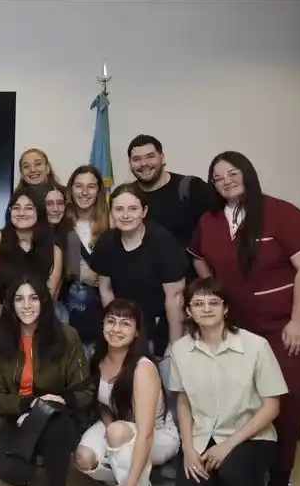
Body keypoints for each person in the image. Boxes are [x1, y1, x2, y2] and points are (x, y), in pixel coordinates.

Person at [188, 151, 300, 486]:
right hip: (236, 329)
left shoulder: (281, 213)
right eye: (218, 178)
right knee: (241, 402)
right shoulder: (209, 221)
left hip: (284, 329)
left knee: (286, 401)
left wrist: (298, 320)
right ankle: (244, 469)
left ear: (248, 174)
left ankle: (281, 472)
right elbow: (198, 261)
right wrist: (213, 297)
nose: (226, 181)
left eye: (233, 173)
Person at [168, 277, 287, 486]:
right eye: (198, 303)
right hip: (202, 438)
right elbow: (183, 402)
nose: (207, 308)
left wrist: (227, 446)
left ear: (226, 308)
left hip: (248, 437)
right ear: (189, 311)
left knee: (235, 471)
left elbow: (271, 405)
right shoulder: (180, 350)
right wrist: (188, 449)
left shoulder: (255, 346)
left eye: (214, 302)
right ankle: (214, 484)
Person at [0, 276, 92, 486]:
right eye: (19, 299)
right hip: (13, 418)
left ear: (44, 301)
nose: (27, 306)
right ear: (11, 304)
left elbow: (85, 390)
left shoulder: (67, 336)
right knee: (16, 475)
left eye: (33, 298)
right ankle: (29, 462)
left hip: (56, 416)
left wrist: (53, 403)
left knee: (58, 426)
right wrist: (29, 405)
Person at [74, 299, 180, 486]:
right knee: (84, 458)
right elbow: (102, 405)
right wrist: (112, 434)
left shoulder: (143, 368)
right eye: (111, 321)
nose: (116, 329)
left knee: (117, 432)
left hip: (157, 435)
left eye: (125, 324)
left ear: (137, 332)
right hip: (119, 426)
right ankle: (128, 472)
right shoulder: (97, 358)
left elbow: (147, 432)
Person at [89, 183, 187, 357]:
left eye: (133, 209)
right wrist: (116, 329)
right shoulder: (106, 242)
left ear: (144, 211)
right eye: (119, 209)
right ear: (111, 212)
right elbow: (106, 289)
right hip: (124, 325)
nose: (125, 215)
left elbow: (175, 298)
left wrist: (175, 345)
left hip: (159, 325)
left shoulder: (163, 242)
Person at [0, 187, 62, 338]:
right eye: (16, 208)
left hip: (37, 326)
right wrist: (5, 327)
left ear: (40, 212)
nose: (21, 213)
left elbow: (50, 296)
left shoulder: (54, 251)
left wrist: (30, 332)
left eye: (29, 208)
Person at [127, 134, 217, 249]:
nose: (144, 163)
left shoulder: (191, 187)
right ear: (130, 164)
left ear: (162, 158)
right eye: (136, 159)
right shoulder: (127, 196)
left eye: (150, 156)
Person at [59, 165, 109, 351]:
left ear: (99, 190)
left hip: (102, 311)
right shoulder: (61, 223)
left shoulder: (112, 222)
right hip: (66, 311)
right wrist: (78, 273)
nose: (84, 192)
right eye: (79, 186)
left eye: (91, 186)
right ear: (71, 189)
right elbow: (45, 262)